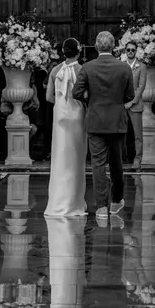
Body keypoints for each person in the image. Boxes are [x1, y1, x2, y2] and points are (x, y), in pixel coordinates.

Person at [73, 31, 134, 220]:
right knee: (117, 163)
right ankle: (116, 201)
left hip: (96, 120)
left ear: (96, 46)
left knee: (98, 164)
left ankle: (101, 207)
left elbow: (76, 92)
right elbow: (130, 96)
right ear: (114, 46)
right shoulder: (124, 67)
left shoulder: (87, 67)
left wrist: (90, 99)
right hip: (117, 120)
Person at [44, 38, 87, 217]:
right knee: (76, 157)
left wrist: (62, 103)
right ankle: (74, 202)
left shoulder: (55, 70)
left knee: (60, 156)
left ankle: (57, 202)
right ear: (79, 52)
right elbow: (86, 95)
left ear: (63, 52)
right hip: (77, 116)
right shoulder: (82, 70)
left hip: (60, 116)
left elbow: (48, 97)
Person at [121, 41, 147, 169]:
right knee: (120, 134)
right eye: (128, 50)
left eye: (133, 50)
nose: (130, 52)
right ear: (125, 51)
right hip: (122, 105)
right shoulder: (121, 65)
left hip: (135, 105)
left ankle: (137, 160)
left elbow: (141, 87)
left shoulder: (142, 66)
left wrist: (132, 102)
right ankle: (121, 159)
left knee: (138, 135)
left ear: (136, 51)